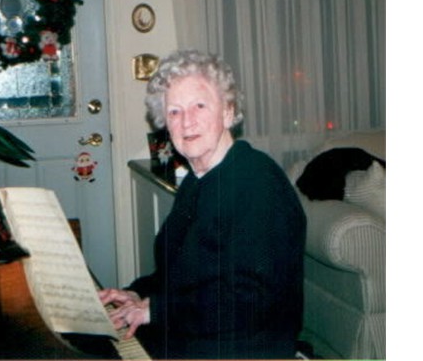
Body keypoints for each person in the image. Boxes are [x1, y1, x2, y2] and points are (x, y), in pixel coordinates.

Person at [99, 50, 306, 359]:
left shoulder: (258, 183)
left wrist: (155, 311)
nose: (187, 122)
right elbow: (180, 271)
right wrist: (137, 293)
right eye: (174, 111)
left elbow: (250, 301)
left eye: (199, 105)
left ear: (227, 112)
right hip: (196, 337)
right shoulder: (198, 179)